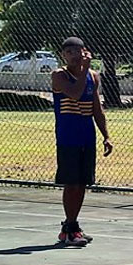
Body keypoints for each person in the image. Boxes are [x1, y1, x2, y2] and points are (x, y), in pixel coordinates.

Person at [51, 37, 113, 245]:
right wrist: (84, 69)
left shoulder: (93, 76)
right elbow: (76, 94)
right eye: (68, 52)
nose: (73, 56)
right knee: (72, 183)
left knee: (82, 183)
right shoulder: (59, 75)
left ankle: (72, 226)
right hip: (68, 136)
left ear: (84, 52)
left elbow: (96, 108)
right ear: (63, 55)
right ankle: (69, 229)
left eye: (77, 51)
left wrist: (106, 135)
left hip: (87, 135)